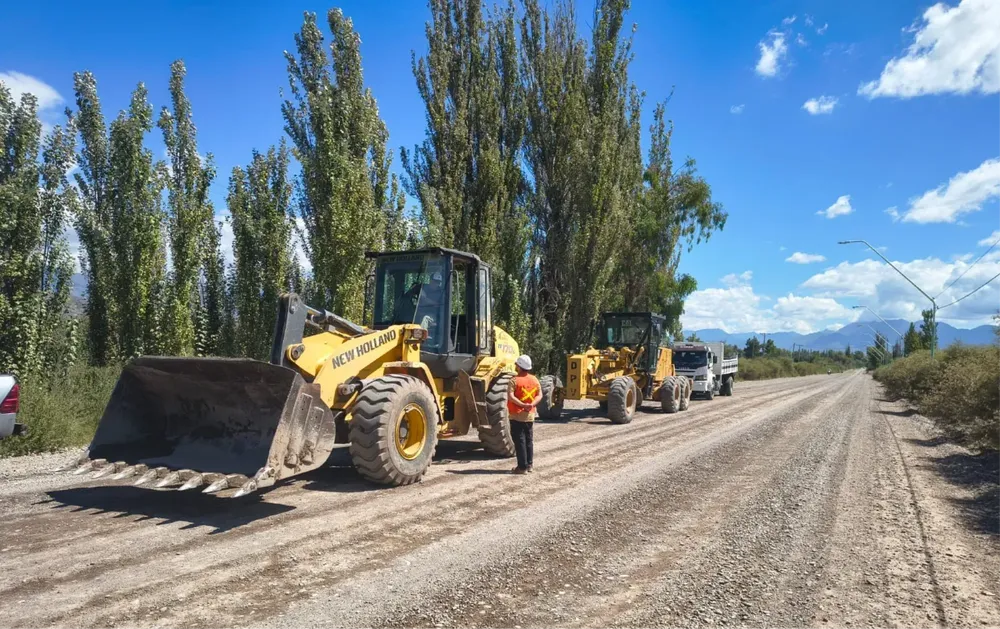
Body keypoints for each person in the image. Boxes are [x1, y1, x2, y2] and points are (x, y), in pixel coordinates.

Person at [507, 354, 541, 474]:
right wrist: (531, 405)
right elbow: (539, 395)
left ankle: (522, 467)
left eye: (517, 364)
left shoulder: (514, 381)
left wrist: (522, 405)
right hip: (530, 415)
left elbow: (510, 397)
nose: (515, 366)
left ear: (520, 367)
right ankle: (529, 465)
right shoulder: (535, 380)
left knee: (519, 440)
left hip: (517, 415)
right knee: (528, 440)